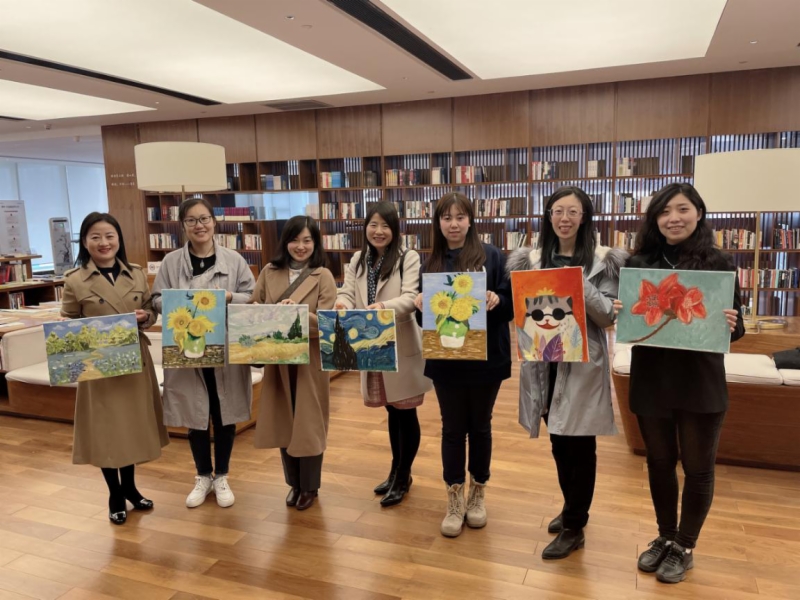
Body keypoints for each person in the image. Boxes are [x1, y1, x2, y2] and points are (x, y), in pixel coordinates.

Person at [615, 183, 744, 584]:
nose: (673, 218)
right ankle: (665, 536)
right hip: (652, 378)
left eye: (682, 209)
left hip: (700, 381)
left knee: (698, 467)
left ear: (699, 213)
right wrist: (621, 310)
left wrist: (732, 324)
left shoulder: (719, 263)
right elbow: (634, 320)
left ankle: (685, 546)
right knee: (659, 462)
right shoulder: (639, 263)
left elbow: (735, 330)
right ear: (655, 219)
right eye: (664, 211)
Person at [506, 186, 625, 559]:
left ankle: (575, 525)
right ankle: (571, 507)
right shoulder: (531, 260)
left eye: (573, 212)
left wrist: (576, 281)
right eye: (558, 211)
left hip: (583, 365)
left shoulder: (604, 261)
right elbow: (522, 312)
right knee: (559, 441)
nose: (565, 218)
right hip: (544, 363)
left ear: (585, 217)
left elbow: (606, 316)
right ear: (548, 216)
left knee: (581, 446)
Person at [413, 192, 513, 537]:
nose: (453, 224)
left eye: (460, 217)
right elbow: (425, 320)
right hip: (446, 359)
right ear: (438, 223)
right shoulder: (431, 264)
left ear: (471, 220)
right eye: (446, 218)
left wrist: (497, 299)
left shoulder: (492, 256)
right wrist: (419, 306)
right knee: (452, 428)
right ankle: (454, 497)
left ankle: (478, 493)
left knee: (481, 426)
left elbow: (510, 305)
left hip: (487, 359)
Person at [61, 212, 169, 525]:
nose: (104, 242)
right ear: (85, 242)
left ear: (118, 239)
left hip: (134, 361)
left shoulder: (136, 273)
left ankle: (131, 488)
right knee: (107, 430)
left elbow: (149, 312)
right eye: (95, 237)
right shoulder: (74, 280)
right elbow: (68, 322)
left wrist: (145, 318)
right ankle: (115, 494)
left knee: (130, 428)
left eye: (109, 236)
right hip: (98, 366)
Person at [151, 198, 255, 509]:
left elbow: (252, 295)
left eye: (205, 218)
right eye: (192, 220)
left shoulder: (234, 260)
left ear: (214, 221)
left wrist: (230, 296)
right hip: (187, 346)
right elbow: (155, 299)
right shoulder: (171, 262)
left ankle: (221, 475)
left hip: (225, 346)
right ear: (183, 225)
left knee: (224, 411)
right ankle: (202, 475)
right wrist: (179, 301)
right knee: (193, 412)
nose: (200, 225)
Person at [335, 202, 432, 507]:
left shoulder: (408, 257)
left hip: (400, 344)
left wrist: (383, 307)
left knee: (406, 411)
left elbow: (411, 297)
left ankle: (404, 475)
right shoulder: (358, 259)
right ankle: (394, 470)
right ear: (365, 227)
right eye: (373, 225)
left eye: (386, 226)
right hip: (372, 342)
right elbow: (347, 291)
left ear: (395, 229)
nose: (379, 231)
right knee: (391, 410)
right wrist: (341, 303)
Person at [251, 215, 336, 511]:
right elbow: (254, 308)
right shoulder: (269, 271)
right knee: (283, 420)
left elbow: (327, 323)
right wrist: (270, 312)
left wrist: (295, 314)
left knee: (308, 423)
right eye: (295, 240)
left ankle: (310, 486)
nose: (301, 246)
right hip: (278, 359)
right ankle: (294, 483)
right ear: (285, 242)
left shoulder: (323, 275)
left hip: (309, 362)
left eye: (307, 240)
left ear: (316, 243)